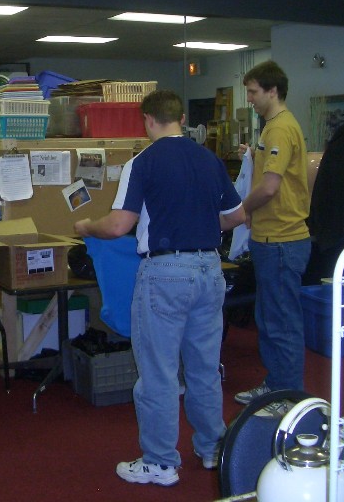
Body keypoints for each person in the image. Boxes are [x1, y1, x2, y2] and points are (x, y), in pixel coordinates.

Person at [74, 89, 245, 487]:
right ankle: (213, 447)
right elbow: (236, 215)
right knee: (204, 368)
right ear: (182, 119)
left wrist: (86, 226)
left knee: (158, 372)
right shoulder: (210, 159)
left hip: (165, 272)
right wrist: (202, 224)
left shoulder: (143, 162)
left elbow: (119, 225)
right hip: (210, 268)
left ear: (148, 121)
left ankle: (160, 462)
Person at [234, 60, 311, 416]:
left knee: (282, 323)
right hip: (269, 239)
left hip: (282, 240)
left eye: (253, 92)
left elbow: (269, 187)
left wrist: (241, 210)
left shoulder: (280, 128)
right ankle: (276, 384)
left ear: (272, 91)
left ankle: (289, 397)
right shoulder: (272, 128)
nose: (249, 98)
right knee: (269, 319)